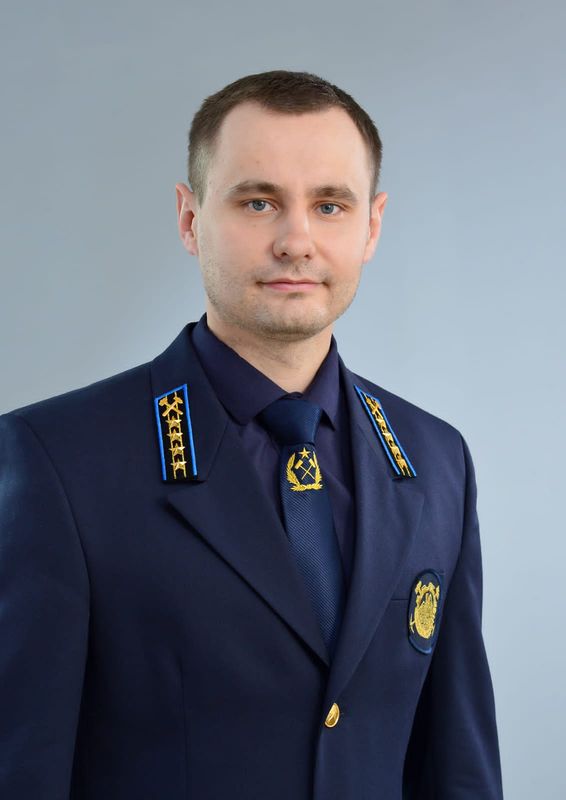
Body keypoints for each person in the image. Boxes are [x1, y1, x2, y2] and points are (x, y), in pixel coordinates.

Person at [0, 69, 504, 799]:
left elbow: (458, 767)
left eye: (329, 205)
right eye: (258, 202)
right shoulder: (58, 461)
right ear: (189, 218)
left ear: (371, 226)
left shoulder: (436, 459)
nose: (296, 241)